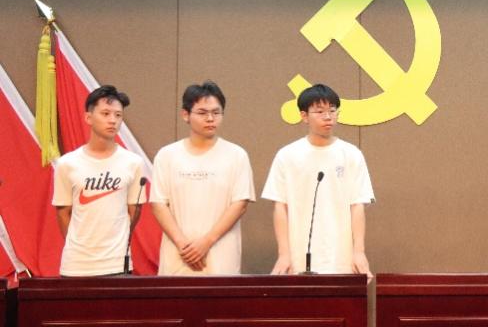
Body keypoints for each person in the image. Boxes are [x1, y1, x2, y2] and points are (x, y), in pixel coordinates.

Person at [262, 84, 375, 277]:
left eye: (332, 110)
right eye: (320, 111)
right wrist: (284, 254)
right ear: (304, 116)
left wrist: (359, 252)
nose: (328, 116)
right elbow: (280, 207)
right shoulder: (287, 155)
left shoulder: (351, 154)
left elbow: (357, 205)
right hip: (299, 257)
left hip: (341, 257)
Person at [151, 81, 255, 275]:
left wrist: (206, 242)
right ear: (185, 115)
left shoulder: (236, 155)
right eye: (202, 113)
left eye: (216, 112)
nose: (210, 118)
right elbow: (158, 204)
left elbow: (240, 204)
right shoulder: (167, 155)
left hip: (220, 257)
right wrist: (184, 245)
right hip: (178, 256)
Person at [52, 85, 147, 276]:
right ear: (88, 117)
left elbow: (134, 211)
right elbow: (63, 213)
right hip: (76, 265)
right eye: (105, 113)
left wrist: (116, 241)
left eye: (118, 115)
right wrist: (78, 246)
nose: (113, 120)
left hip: (117, 264)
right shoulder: (67, 164)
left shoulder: (134, 163)